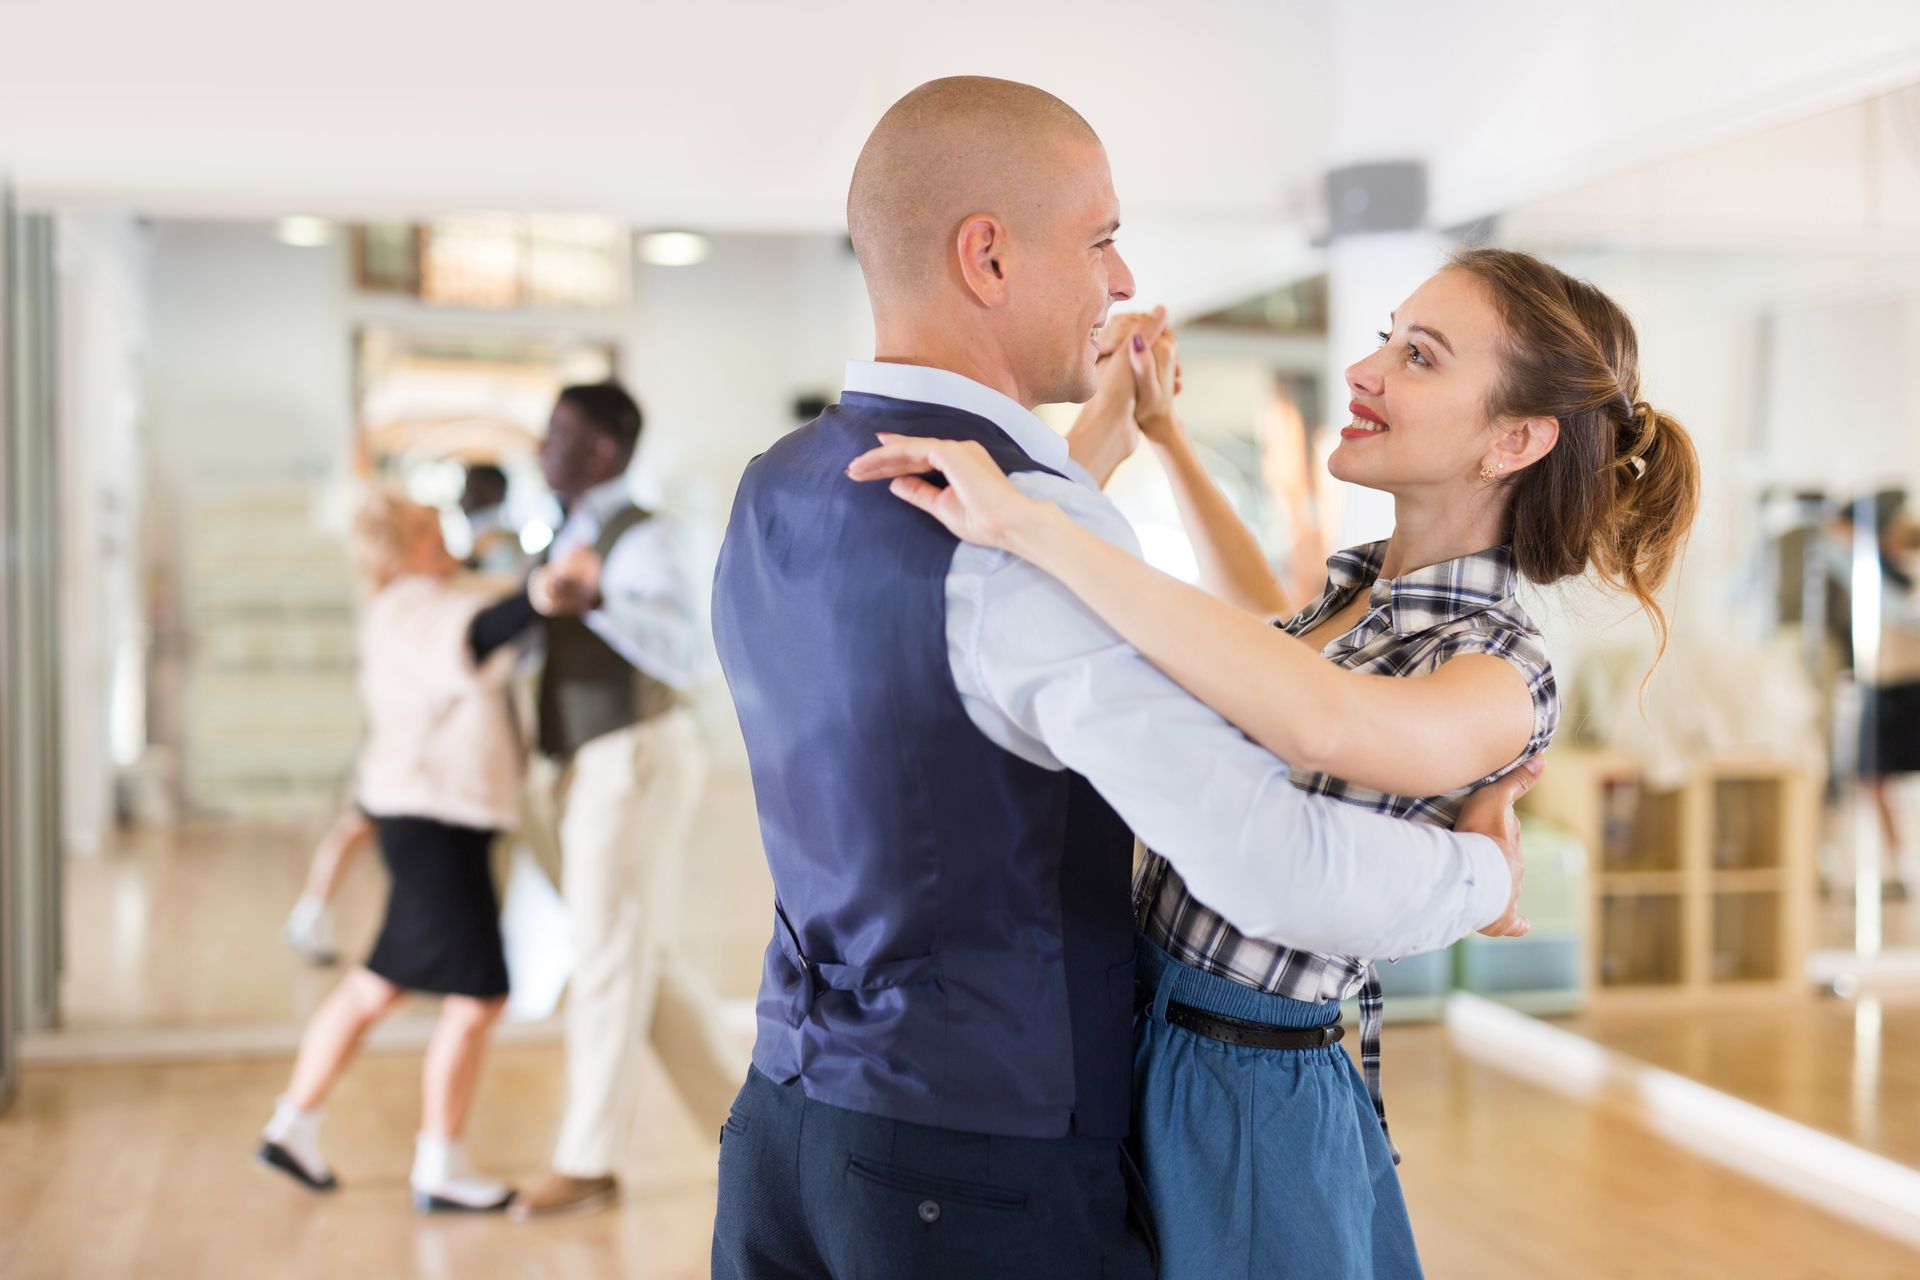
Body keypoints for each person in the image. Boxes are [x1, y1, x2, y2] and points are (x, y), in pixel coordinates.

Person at [708, 77, 1540, 1280]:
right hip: (971, 1161)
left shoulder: (780, 481)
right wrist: (1483, 870)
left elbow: (978, 645)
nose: (1119, 279)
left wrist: (1114, 442)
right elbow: (1270, 862)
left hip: (788, 1126)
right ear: (987, 257)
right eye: (1100, 238)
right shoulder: (1012, 535)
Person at [851, 244, 1701, 1276]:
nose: (1364, 369)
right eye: (1387, 335)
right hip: (1154, 1028)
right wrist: (1160, 434)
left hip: (1247, 1085)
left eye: (1420, 355)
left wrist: (1033, 524)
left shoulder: (1497, 670)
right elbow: (1257, 634)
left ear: (1515, 437)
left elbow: (1322, 721)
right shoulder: (1353, 601)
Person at [255, 493, 589, 1212]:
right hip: (433, 821)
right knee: (478, 995)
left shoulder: (429, 596)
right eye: (420, 529)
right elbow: (475, 636)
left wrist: (538, 582)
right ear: (391, 549)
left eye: (437, 525)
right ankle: (438, 1163)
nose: (440, 534)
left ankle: (293, 1126)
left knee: (376, 986)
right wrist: (538, 591)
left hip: (435, 821)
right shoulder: (409, 609)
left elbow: (488, 615)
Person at [510, 381, 711, 1219]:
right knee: (633, 957)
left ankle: (588, 1161)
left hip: (633, 757)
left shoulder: (645, 537)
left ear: (602, 450)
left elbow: (686, 653)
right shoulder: (573, 529)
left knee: (606, 959)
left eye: (559, 432)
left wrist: (595, 604)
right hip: (588, 762)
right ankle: (748, 1122)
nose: (541, 443)